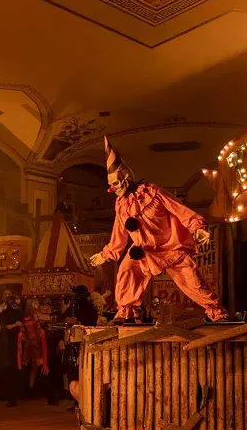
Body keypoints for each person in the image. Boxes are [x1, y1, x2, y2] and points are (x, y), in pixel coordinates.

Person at [89, 137, 229, 322]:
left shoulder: (152, 192)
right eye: (111, 185)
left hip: (169, 247)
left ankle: (216, 313)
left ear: (125, 177)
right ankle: (127, 313)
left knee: (192, 280)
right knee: (127, 270)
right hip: (143, 250)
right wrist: (105, 255)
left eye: (115, 183)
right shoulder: (121, 205)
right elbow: (119, 235)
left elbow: (179, 209)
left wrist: (197, 227)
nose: (113, 189)